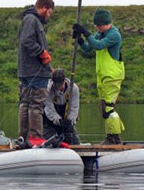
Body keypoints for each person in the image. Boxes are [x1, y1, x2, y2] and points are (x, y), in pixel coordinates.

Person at [73, 9, 125, 145]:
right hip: (102, 75)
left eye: (97, 25)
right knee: (103, 108)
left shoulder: (114, 35)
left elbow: (98, 45)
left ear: (104, 23)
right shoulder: (100, 34)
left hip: (112, 75)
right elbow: (88, 48)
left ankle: (114, 138)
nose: (96, 27)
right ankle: (112, 136)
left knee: (109, 107)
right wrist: (79, 40)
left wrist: (85, 32)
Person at [17, 0, 55, 141]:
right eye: (49, 12)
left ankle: (24, 138)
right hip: (34, 71)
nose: (49, 15)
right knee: (36, 105)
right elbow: (27, 41)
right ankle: (36, 139)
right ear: (44, 8)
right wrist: (41, 52)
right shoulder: (32, 20)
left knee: (26, 104)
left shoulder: (28, 19)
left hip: (27, 70)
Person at [43, 69, 81, 145]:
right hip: (51, 119)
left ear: (64, 81)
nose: (58, 88)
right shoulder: (47, 90)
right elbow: (48, 108)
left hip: (66, 117)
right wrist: (58, 120)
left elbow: (74, 108)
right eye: (56, 85)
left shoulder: (73, 89)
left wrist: (70, 121)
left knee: (74, 141)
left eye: (60, 85)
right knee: (50, 139)